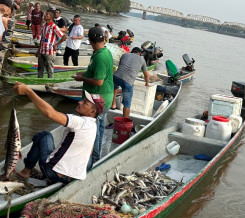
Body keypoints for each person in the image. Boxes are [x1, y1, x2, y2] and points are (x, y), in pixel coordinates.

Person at [14, 82, 104, 184]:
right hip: (76, 174)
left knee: (43, 136)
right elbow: (90, 151)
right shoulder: (93, 124)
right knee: (89, 157)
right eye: (83, 100)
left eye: (85, 104)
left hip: (55, 174)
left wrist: (28, 91)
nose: (80, 102)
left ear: (92, 112)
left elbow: (50, 113)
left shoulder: (79, 122)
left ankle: (26, 171)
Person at [72, 27, 113, 169]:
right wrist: (84, 73)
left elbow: (99, 81)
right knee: (99, 128)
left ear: (90, 41)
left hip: (98, 99)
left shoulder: (101, 57)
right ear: (104, 39)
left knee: (94, 130)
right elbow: (96, 73)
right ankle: (96, 155)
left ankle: (94, 158)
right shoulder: (103, 52)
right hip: (103, 97)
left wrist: (82, 78)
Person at [111, 47, 149, 118]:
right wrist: (147, 83)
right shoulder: (142, 60)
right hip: (128, 82)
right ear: (139, 53)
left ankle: (113, 104)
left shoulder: (124, 55)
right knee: (127, 104)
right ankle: (125, 121)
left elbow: (120, 67)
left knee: (115, 88)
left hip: (116, 77)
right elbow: (146, 74)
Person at [36, 9, 66, 78]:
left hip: (50, 52)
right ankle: (39, 82)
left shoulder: (54, 26)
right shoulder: (44, 25)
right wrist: (38, 50)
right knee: (40, 68)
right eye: (45, 14)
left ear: (51, 17)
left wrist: (56, 44)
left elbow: (64, 37)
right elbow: (42, 38)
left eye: (47, 14)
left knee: (49, 70)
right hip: (42, 51)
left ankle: (50, 84)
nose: (45, 15)